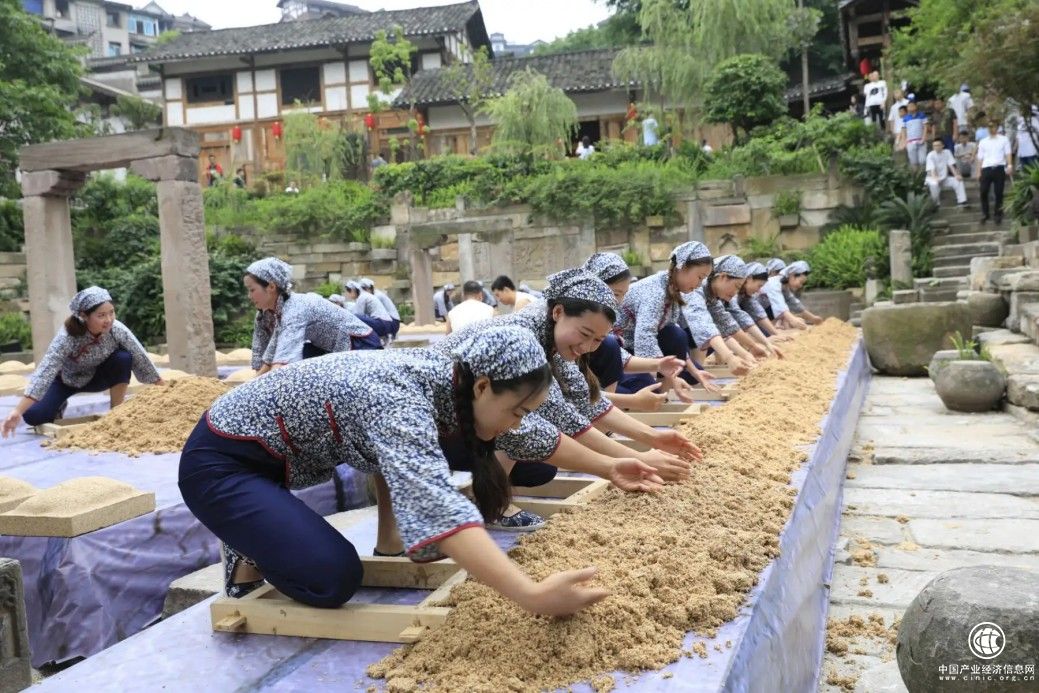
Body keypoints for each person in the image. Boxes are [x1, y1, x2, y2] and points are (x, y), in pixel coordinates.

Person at [181, 325, 664, 612]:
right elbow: (432, 498)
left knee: (519, 460)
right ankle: (246, 540)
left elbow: (531, 436)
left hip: (282, 461)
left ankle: (263, 521)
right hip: (224, 463)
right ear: (483, 387)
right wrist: (531, 594)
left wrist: (613, 467)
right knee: (332, 579)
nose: (518, 421)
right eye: (517, 409)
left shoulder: (453, 383)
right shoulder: (400, 399)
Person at [432, 269, 700, 530]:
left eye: (597, 340)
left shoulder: (550, 334)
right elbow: (558, 417)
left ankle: (489, 494)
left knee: (539, 466)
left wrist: (652, 438)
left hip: (469, 422)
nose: (587, 347)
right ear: (558, 312)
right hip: (445, 428)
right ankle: (492, 503)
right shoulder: (524, 339)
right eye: (584, 334)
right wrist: (631, 459)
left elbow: (584, 402)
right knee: (521, 423)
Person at [2, 287, 163, 436]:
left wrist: (164, 389)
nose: (108, 319)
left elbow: (141, 356)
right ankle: (58, 405)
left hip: (97, 377)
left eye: (111, 312)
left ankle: (116, 412)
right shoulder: (67, 336)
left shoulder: (117, 329)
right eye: (101, 315)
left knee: (123, 357)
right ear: (84, 316)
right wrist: (17, 411)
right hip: (65, 381)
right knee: (33, 415)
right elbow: (46, 370)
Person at [582, 252, 702, 409]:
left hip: (610, 360)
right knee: (636, 387)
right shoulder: (655, 292)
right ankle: (607, 408)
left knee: (675, 339)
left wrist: (660, 367)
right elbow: (644, 336)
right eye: (615, 294)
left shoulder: (670, 290)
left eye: (623, 295)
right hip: (593, 370)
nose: (618, 302)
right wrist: (632, 400)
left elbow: (621, 357)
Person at [615, 241, 737, 384]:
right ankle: (652, 385)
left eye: (703, 279)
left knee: (679, 341)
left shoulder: (673, 289)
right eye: (699, 277)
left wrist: (695, 371)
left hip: (642, 347)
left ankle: (662, 386)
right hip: (622, 350)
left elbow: (674, 336)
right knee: (642, 384)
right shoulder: (656, 292)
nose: (699, 284)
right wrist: (661, 378)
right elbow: (644, 337)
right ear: (682, 268)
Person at [246, 259, 379, 376]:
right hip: (329, 350)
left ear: (271, 287)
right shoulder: (268, 314)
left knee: (293, 368)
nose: (249, 296)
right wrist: (253, 381)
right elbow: (268, 353)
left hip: (360, 344)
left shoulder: (295, 308)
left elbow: (282, 363)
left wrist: (257, 386)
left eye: (252, 290)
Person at [681, 256, 761, 373]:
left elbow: (727, 324)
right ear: (723, 277)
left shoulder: (712, 296)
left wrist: (751, 349)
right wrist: (730, 358)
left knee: (696, 372)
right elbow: (705, 326)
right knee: (689, 335)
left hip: (683, 339)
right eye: (737, 287)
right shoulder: (695, 289)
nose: (735, 293)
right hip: (668, 341)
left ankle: (692, 371)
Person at [736, 262, 790, 340]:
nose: (759, 290)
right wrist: (765, 340)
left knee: (766, 333)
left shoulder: (745, 295)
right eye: (759, 286)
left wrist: (777, 334)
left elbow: (759, 314)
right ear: (749, 279)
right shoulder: (733, 294)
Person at [761, 260, 823, 329]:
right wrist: (793, 319)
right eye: (800, 282)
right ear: (792, 275)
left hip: (762, 313)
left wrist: (813, 318)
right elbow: (780, 307)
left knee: (787, 312)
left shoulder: (783, 287)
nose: (800, 286)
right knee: (785, 312)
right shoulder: (774, 284)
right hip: (755, 316)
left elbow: (795, 304)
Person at [976, 119, 1014, 225]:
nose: (991, 128)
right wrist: (978, 171)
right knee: (983, 191)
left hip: (999, 168)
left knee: (999, 192)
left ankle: (998, 214)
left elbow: (1008, 153)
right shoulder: (983, 141)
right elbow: (980, 158)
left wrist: (1010, 165)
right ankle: (985, 214)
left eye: (993, 126)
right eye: (989, 126)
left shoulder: (1004, 139)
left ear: (997, 127)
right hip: (986, 168)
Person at [925, 138, 968, 208]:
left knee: (958, 181)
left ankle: (962, 201)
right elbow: (932, 169)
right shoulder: (930, 155)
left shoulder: (947, 152)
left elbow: (951, 165)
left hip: (944, 178)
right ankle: (936, 204)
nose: (936, 147)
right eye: (934, 146)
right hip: (932, 178)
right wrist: (936, 179)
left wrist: (957, 175)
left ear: (943, 145)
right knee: (934, 184)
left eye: (938, 145)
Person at [898, 97, 929, 171]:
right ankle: (916, 175)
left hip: (921, 140)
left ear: (916, 106)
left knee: (923, 160)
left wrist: (924, 138)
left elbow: (925, 127)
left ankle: (923, 174)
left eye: (912, 105)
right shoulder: (905, 118)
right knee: (913, 161)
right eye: (909, 106)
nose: (911, 107)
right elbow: (903, 130)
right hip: (910, 142)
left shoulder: (922, 115)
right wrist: (904, 141)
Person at [1015, 105, 1039, 170]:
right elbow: (1018, 138)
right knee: (1025, 173)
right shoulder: (1020, 121)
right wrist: (1014, 150)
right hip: (1022, 153)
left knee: (1034, 173)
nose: (1020, 111)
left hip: (1032, 152)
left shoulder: (1035, 120)